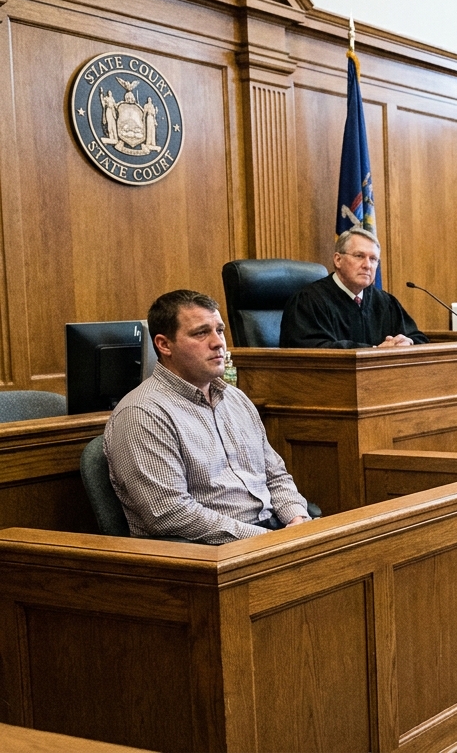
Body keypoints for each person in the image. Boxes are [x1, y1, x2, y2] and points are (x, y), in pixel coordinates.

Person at [106, 290, 312, 544]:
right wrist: (268, 539)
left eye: (220, 330)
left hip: (270, 535)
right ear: (164, 344)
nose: (218, 343)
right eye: (201, 333)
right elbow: (169, 513)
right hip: (210, 553)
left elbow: (275, 475)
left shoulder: (236, 399)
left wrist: (297, 520)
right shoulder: (143, 413)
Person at [280, 228, 428, 348]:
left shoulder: (384, 302)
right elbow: (314, 349)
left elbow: (417, 337)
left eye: (373, 259)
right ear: (338, 260)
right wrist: (375, 351)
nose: (367, 265)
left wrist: (407, 343)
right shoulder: (309, 301)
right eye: (359, 256)